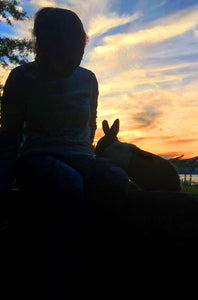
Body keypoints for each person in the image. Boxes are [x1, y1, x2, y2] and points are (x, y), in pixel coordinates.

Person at [0, 7, 129, 299]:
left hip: (81, 157)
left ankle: (99, 267)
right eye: (68, 49)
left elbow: (91, 124)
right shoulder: (22, 78)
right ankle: (57, 277)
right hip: (37, 157)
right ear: (47, 46)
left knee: (116, 179)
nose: (76, 57)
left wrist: (89, 156)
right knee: (68, 183)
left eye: (79, 49)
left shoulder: (88, 80)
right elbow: (8, 135)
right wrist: (3, 188)